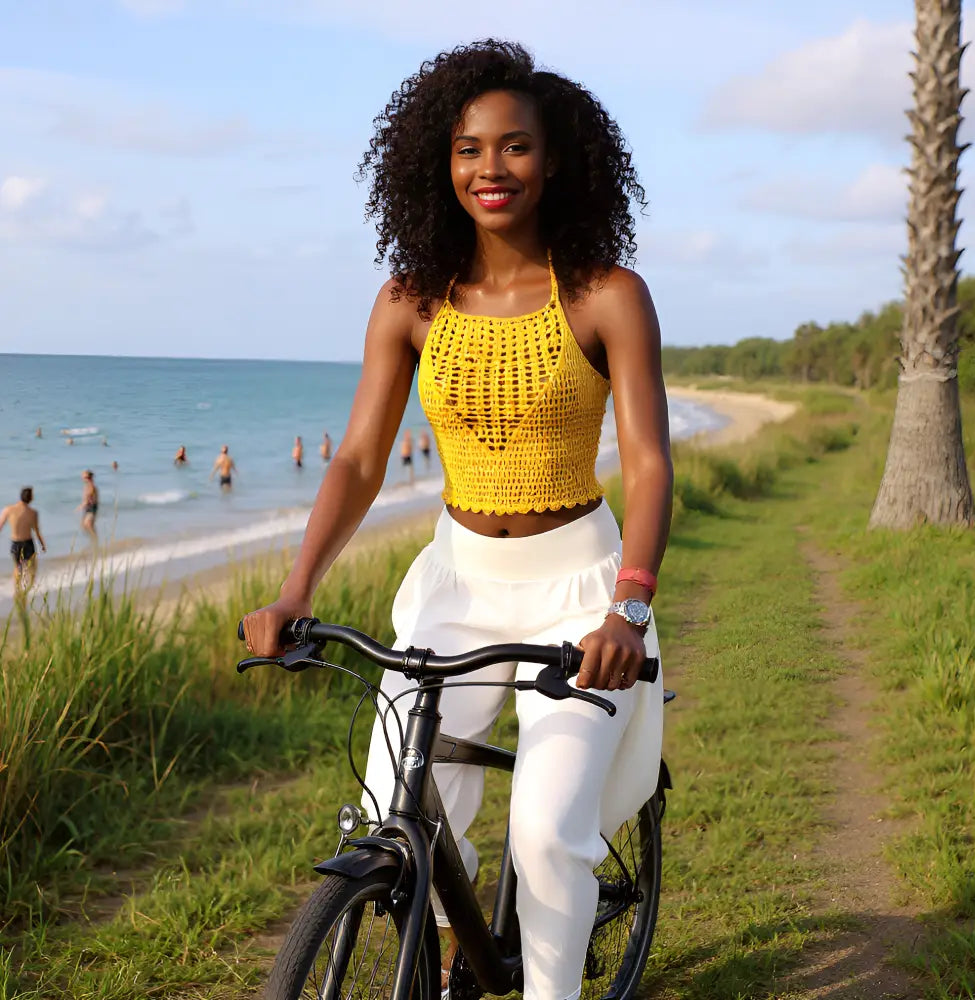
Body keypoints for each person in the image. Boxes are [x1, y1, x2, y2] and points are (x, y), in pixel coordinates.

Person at [242, 40, 672, 1000]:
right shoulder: (410, 301)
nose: (491, 169)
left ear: (552, 158)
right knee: (393, 802)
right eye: (470, 149)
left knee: (547, 833)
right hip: (454, 581)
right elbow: (356, 460)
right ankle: (456, 937)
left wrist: (629, 610)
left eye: (514, 147)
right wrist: (293, 590)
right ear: (441, 162)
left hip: (579, 590)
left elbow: (648, 464)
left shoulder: (606, 294)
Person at [0, 487, 47, 593]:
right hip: (28, 543)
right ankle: (26, 591)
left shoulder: (8, 509)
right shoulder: (33, 512)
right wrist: (42, 544)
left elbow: (0, 526)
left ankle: (17, 590)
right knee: (32, 569)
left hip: (15, 543)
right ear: (30, 498)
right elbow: (36, 531)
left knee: (17, 568)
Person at [77, 470, 99, 541]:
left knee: (88, 525)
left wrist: (80, 507)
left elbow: (88, 499)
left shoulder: (91, 486)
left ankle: (95, 541)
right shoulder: (87, 486)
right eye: (83, 477)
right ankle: (93, 540)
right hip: (88, 508)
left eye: (85, 477)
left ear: (89, 478)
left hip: (92, 508)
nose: (83, 478)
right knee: (84, 525)